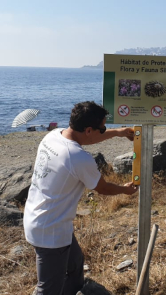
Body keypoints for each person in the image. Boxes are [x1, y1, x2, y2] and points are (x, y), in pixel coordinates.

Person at [24, 101, 138, 295]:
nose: (104, 131)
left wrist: (118, 132)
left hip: (43, 218)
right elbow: (102, 188)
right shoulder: (77, 157)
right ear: (88, 129)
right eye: (102, 128)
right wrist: (125, 190)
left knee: (75, 265)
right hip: (50, 231)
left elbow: (88, 138)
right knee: (48, 289)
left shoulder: (54, 136)